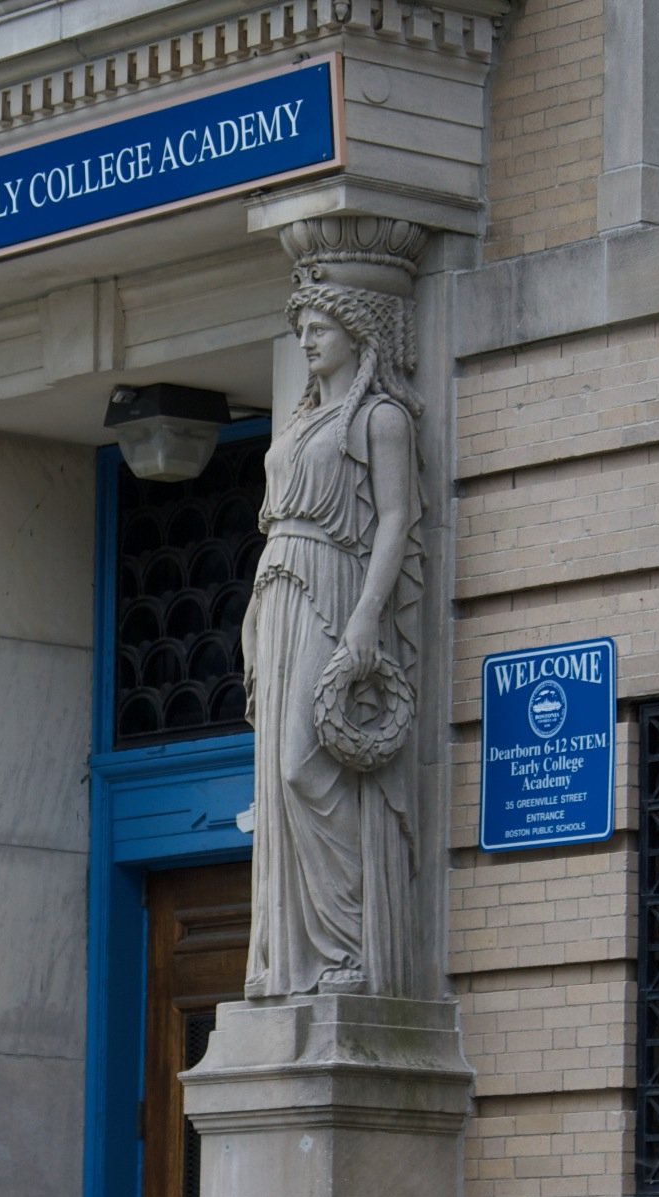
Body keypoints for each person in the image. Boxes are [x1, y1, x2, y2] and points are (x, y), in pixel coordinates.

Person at [242, 268, 424, 999]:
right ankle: (285, 960)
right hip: (281, 586)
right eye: (303, 330)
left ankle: (345, 951)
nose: (308, 340)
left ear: (359, 332)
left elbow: (396, 518)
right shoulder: (297, 422)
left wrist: (366, 617)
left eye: (320, 327)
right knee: (274, 783)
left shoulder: (382, 418)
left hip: (335, 586)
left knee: (305, 764)